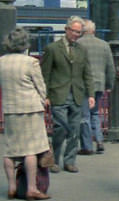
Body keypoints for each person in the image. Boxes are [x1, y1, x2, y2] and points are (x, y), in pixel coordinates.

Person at [0, 27, 51, 200]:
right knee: (30, 150)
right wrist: (45, 99)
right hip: (30, 109)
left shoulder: (0, 62)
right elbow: (40, 86)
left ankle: (12, 187)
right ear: (25, 44)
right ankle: (32, 188)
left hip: (10, 108)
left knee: (10, 149)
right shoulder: (30, 62)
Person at [40, 15, 94, 174]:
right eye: (74, 31)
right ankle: (55, 160)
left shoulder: (82, 50)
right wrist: (46, 95)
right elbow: (45, 74)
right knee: (60, 129)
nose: (77, 35)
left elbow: (87, 73)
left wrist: (90, 94)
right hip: (58, 94)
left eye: (79, 32)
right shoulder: (52, 49)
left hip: (77, 95)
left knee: (75, 129)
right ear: (66, 30)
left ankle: (70, 161)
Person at [77, 19, 115, 155]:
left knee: (84, 115)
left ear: (82, 30)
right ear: (93, 30)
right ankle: (99, 141)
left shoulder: (78, 44)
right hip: (99, 84)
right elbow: (110, 67)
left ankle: (87, 146)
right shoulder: (104, 45)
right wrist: (109, 85)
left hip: (83, 85)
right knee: (95, 113)